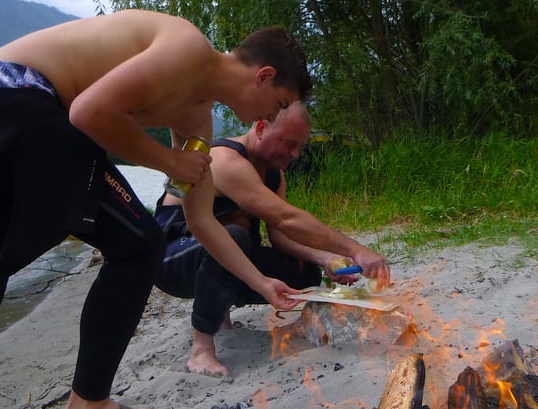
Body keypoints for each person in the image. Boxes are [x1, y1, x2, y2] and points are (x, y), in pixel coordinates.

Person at [0, 9, 312, 409]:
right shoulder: (190, 49)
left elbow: (200, 221)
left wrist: (263, 282)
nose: (273, 114)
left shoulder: (195, 118)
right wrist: (169, 160)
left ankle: (87, 404)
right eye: (282, 102)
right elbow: (89, 112)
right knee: (138, 244)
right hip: (16, 97)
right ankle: (89, 406)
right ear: (264, 76)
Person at [154, 101, 390, 376]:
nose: (295, 154)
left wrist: (326, 258)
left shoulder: (274, 175)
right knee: (235, 236)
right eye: (289, 144)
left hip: (221, 256)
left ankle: (222, 317)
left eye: (299, 147)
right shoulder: (225, 159)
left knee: (303, 272)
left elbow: (281, 237)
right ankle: (202, 348)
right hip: (169, 257)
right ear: (262, 128)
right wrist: (357, 249)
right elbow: (286, 217)